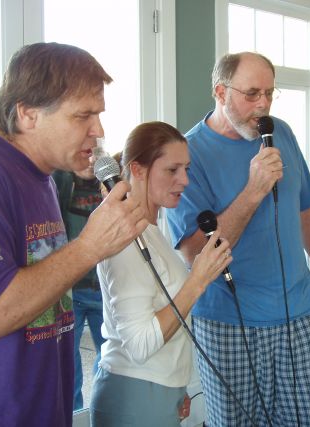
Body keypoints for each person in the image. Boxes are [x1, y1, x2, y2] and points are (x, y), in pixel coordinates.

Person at [0, 42, 147, 426]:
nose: (99, 131)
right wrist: (89, 247)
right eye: (83, 116)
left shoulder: (40, 177)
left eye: (98, 115)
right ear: (27, 114)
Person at [166, 52, 310, 426]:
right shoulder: (189, 155)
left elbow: (306, 214)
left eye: (270, 93)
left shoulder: (280, 132)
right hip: (229, 324)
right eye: (252, 94)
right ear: (220, 92)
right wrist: (253, 191)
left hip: (302, 315)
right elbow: (195, 254)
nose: (263, 105)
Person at [89, 121, 233, 427]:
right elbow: (140, 344)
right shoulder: (124, 236)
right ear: (137, 170)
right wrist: (198, 280)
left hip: (159, 393)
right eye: (172, 170)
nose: (184, 180)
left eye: (186, 169)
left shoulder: (153, 230)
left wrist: (176, 386)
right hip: (134, 397)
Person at [53, 161, 106, 410]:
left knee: (109, 358)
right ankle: (74, 413)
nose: (89, 160)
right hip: (71, 292)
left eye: (94, 153)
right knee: (69, 362)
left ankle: (98, 405)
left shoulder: (110, 183)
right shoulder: (60, 182)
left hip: (104, 292)